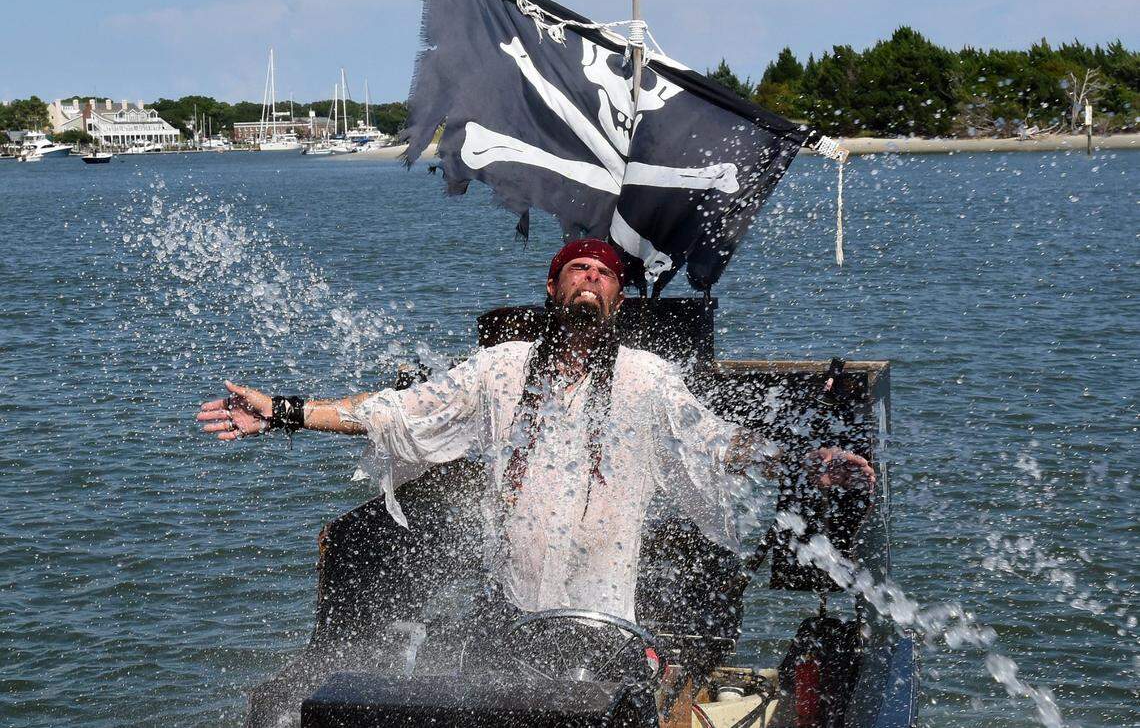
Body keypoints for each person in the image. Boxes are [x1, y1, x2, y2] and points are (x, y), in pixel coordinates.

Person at [197, 238, 874, 623]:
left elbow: (719, 442)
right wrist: (284, 410)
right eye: (578, 267)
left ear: (619, 298)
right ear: (552, 287)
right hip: (515, 615)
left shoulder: (647, 378)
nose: (592, 275)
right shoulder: (501, 369)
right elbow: (395, 410)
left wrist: (803, 463)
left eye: (606, 271)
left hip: (606, 622)